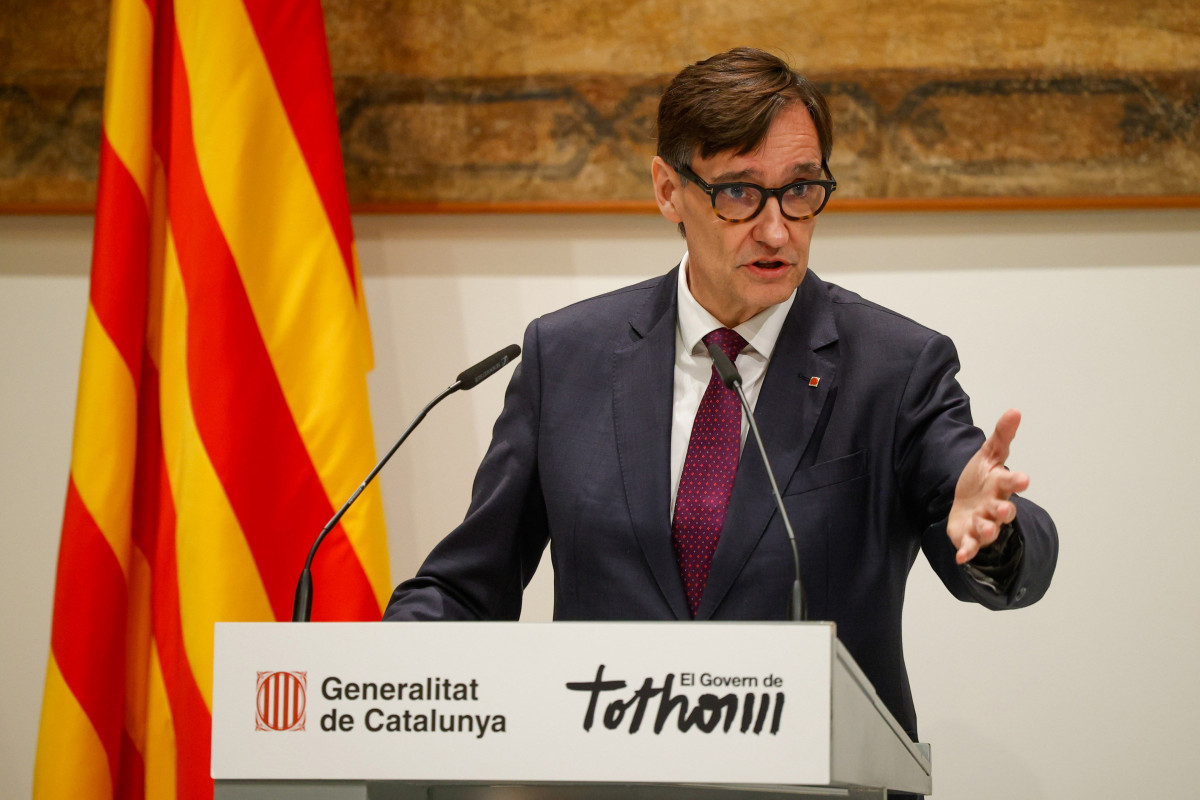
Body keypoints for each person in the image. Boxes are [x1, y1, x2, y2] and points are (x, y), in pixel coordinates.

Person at [383, 47, 1058, 757]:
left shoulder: (894, 367)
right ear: (668, 190)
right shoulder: (568, 357)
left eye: (800, 189)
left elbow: (1004, 545)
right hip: (604, 779)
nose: (776, 229)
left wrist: (999, 534)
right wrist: (364, 677)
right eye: (738, 192)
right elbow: (469, 586)